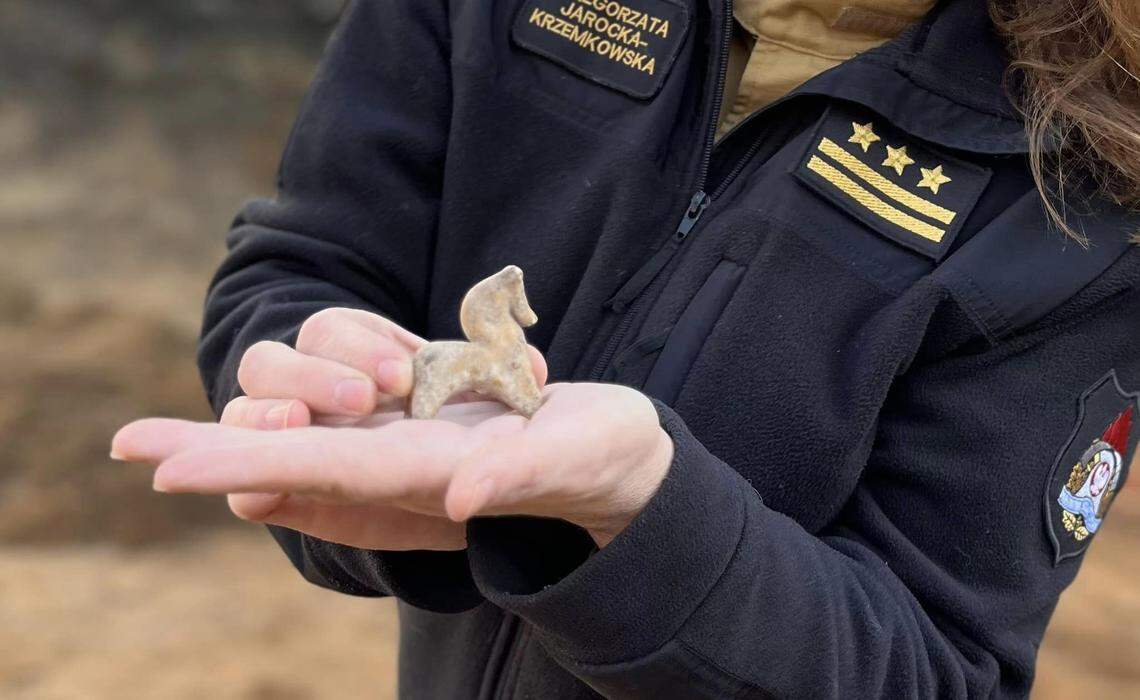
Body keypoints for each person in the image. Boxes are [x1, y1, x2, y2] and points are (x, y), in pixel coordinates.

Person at [111, 0, 1140, 696]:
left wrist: (640, 509)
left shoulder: (1091, 187)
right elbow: (305, 261)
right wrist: (332, 399)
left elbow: (932, 668)